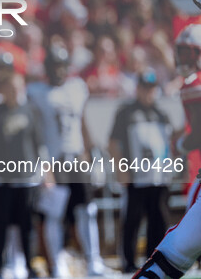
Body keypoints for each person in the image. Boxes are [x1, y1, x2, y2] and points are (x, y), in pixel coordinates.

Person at [27, 45, 106, 277]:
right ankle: (56, 265)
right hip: (54, 161)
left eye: (61, 66)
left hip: (76, 157)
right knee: (54, 215)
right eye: (54, 67)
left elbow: (83, 122)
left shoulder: (77, 88)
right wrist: (42, 165)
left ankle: (94, 261)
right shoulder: (37, 92)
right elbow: (35, 132)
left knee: (87, 210)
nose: (58, 71)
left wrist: (91, 155)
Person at [133, 23, 201, 279]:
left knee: (171, 255)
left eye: (189, 52)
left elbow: (198, 133)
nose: (183, 58)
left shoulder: (194, 83)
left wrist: (179, 145)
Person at [0, 56, 44, 278]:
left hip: (26, 177)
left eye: (18, 87)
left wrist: (45, 172)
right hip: (2, 177)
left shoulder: (30, 112)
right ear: (3, 89)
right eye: (11, 88)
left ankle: (29, 265)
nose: (15, 91)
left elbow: (38, 144)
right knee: (1, 225)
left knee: (27, 225)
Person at [108, 69, 172, 273]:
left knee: (158, 220)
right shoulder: (126, 113)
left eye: (152, 88)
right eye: (145, 88)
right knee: (132, 220)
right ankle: (127, 261)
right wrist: (121, 169)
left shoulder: (161, 113)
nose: (148, 93)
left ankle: (152, 260)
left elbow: (168, 143)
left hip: (158, 176)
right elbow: (113, 143)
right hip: (136, 176)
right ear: (138, 88)